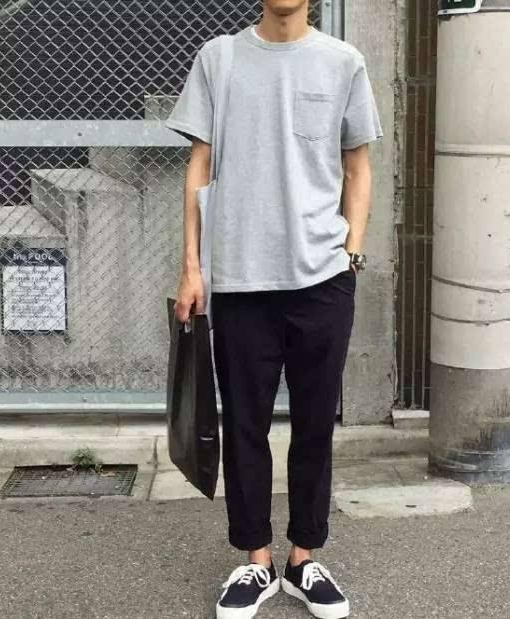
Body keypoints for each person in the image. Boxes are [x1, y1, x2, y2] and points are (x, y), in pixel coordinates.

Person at [166, 0, 381, 617]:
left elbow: (358, 166)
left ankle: (303, 560)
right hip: (241, 279)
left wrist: (352, 254)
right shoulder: (219, 58)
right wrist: (192, 267)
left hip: (323, 279)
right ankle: (256, 561)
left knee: (315, 426)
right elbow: (199, 164)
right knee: (244, 425)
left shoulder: (343, 61)